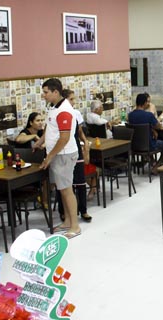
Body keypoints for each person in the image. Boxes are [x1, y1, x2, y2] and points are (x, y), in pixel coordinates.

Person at [39, 78, 80, 239]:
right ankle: (67, 221)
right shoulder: (53, 106)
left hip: (64, 155)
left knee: (67, 190)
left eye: (46, 92)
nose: (44, 95)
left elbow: (64, 138)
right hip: (57, 154)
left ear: (56, 92)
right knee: (62, 190)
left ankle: (75, 226)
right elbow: (49, 129)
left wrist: (49, 157)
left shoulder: (64, 110)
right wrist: (39, 142)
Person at [56, 89, 92, 223]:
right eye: (71, 99)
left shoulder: (75, 113)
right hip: (63, 151)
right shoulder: (57, 113)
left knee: (80, 182)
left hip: (76, 149)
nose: (73, 102)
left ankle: (83, 210)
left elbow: (80, 131)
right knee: (64, 185)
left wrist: (85, 142)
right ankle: (64, 212)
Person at [128, 93, 163, 173]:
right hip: (149, 145)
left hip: (134, 146)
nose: (148, 104)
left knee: (149, 141)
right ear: (144, 103)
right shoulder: (148, 115)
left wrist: (152, 130)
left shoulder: (130, 115)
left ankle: (152, 163)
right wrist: (154, 129)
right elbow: (158, 126)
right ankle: (156, 167)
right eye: (147, 102)